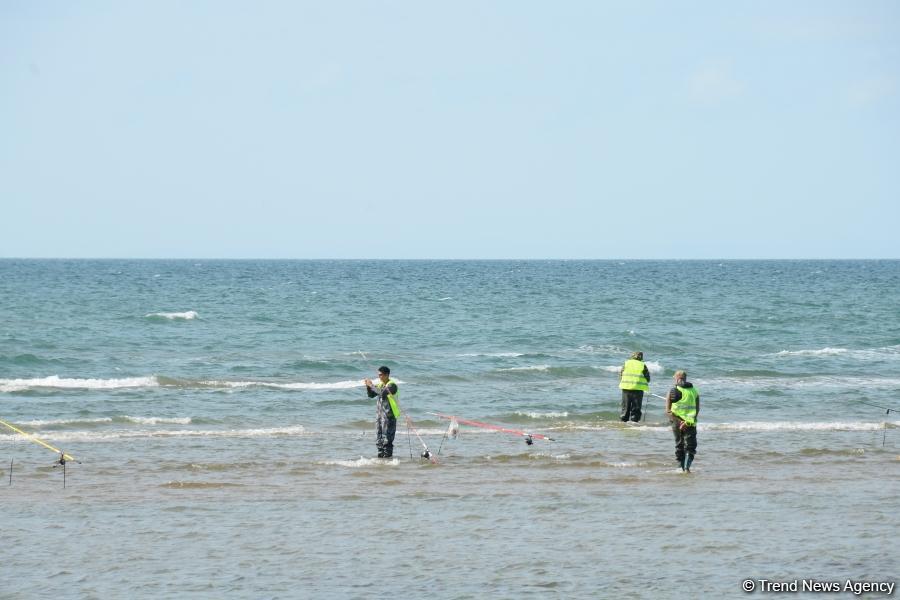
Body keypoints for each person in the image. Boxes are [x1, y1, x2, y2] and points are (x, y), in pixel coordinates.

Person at [665, 370, 700, 472]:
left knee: (679, 444)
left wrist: (680, 422)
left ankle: (680, 468)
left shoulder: (672, 391)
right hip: (690, 422)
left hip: (676, 422)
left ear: (677, 378)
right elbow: (697, 409)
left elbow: (668, 411)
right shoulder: (694, 391)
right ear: (685, 378)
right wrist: (688, 421)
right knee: (691, 446)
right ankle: (687, 468)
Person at [364, 366, 400, 458]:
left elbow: (383, 393)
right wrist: (368, 386)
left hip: (389, 416)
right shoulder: (380, 385)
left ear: (387, 375)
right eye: (378, 375)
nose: (379, 377)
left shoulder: (392, 385)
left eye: (381, 375)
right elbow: (371, 395)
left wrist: (371, 385)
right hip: (380, 416)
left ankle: (388, 460)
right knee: (379, 438)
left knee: (387, 439)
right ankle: (381, 459)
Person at [618, 351, 650, 422]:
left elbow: (621, 374)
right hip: (638, 390)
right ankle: (634, 424)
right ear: (641, 357)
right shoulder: (642, 365)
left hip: (626, 388)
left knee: (625, 408)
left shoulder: (626, 363)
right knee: (636, 409)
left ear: (632, 356)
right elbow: (647, 378)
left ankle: (623, 423)